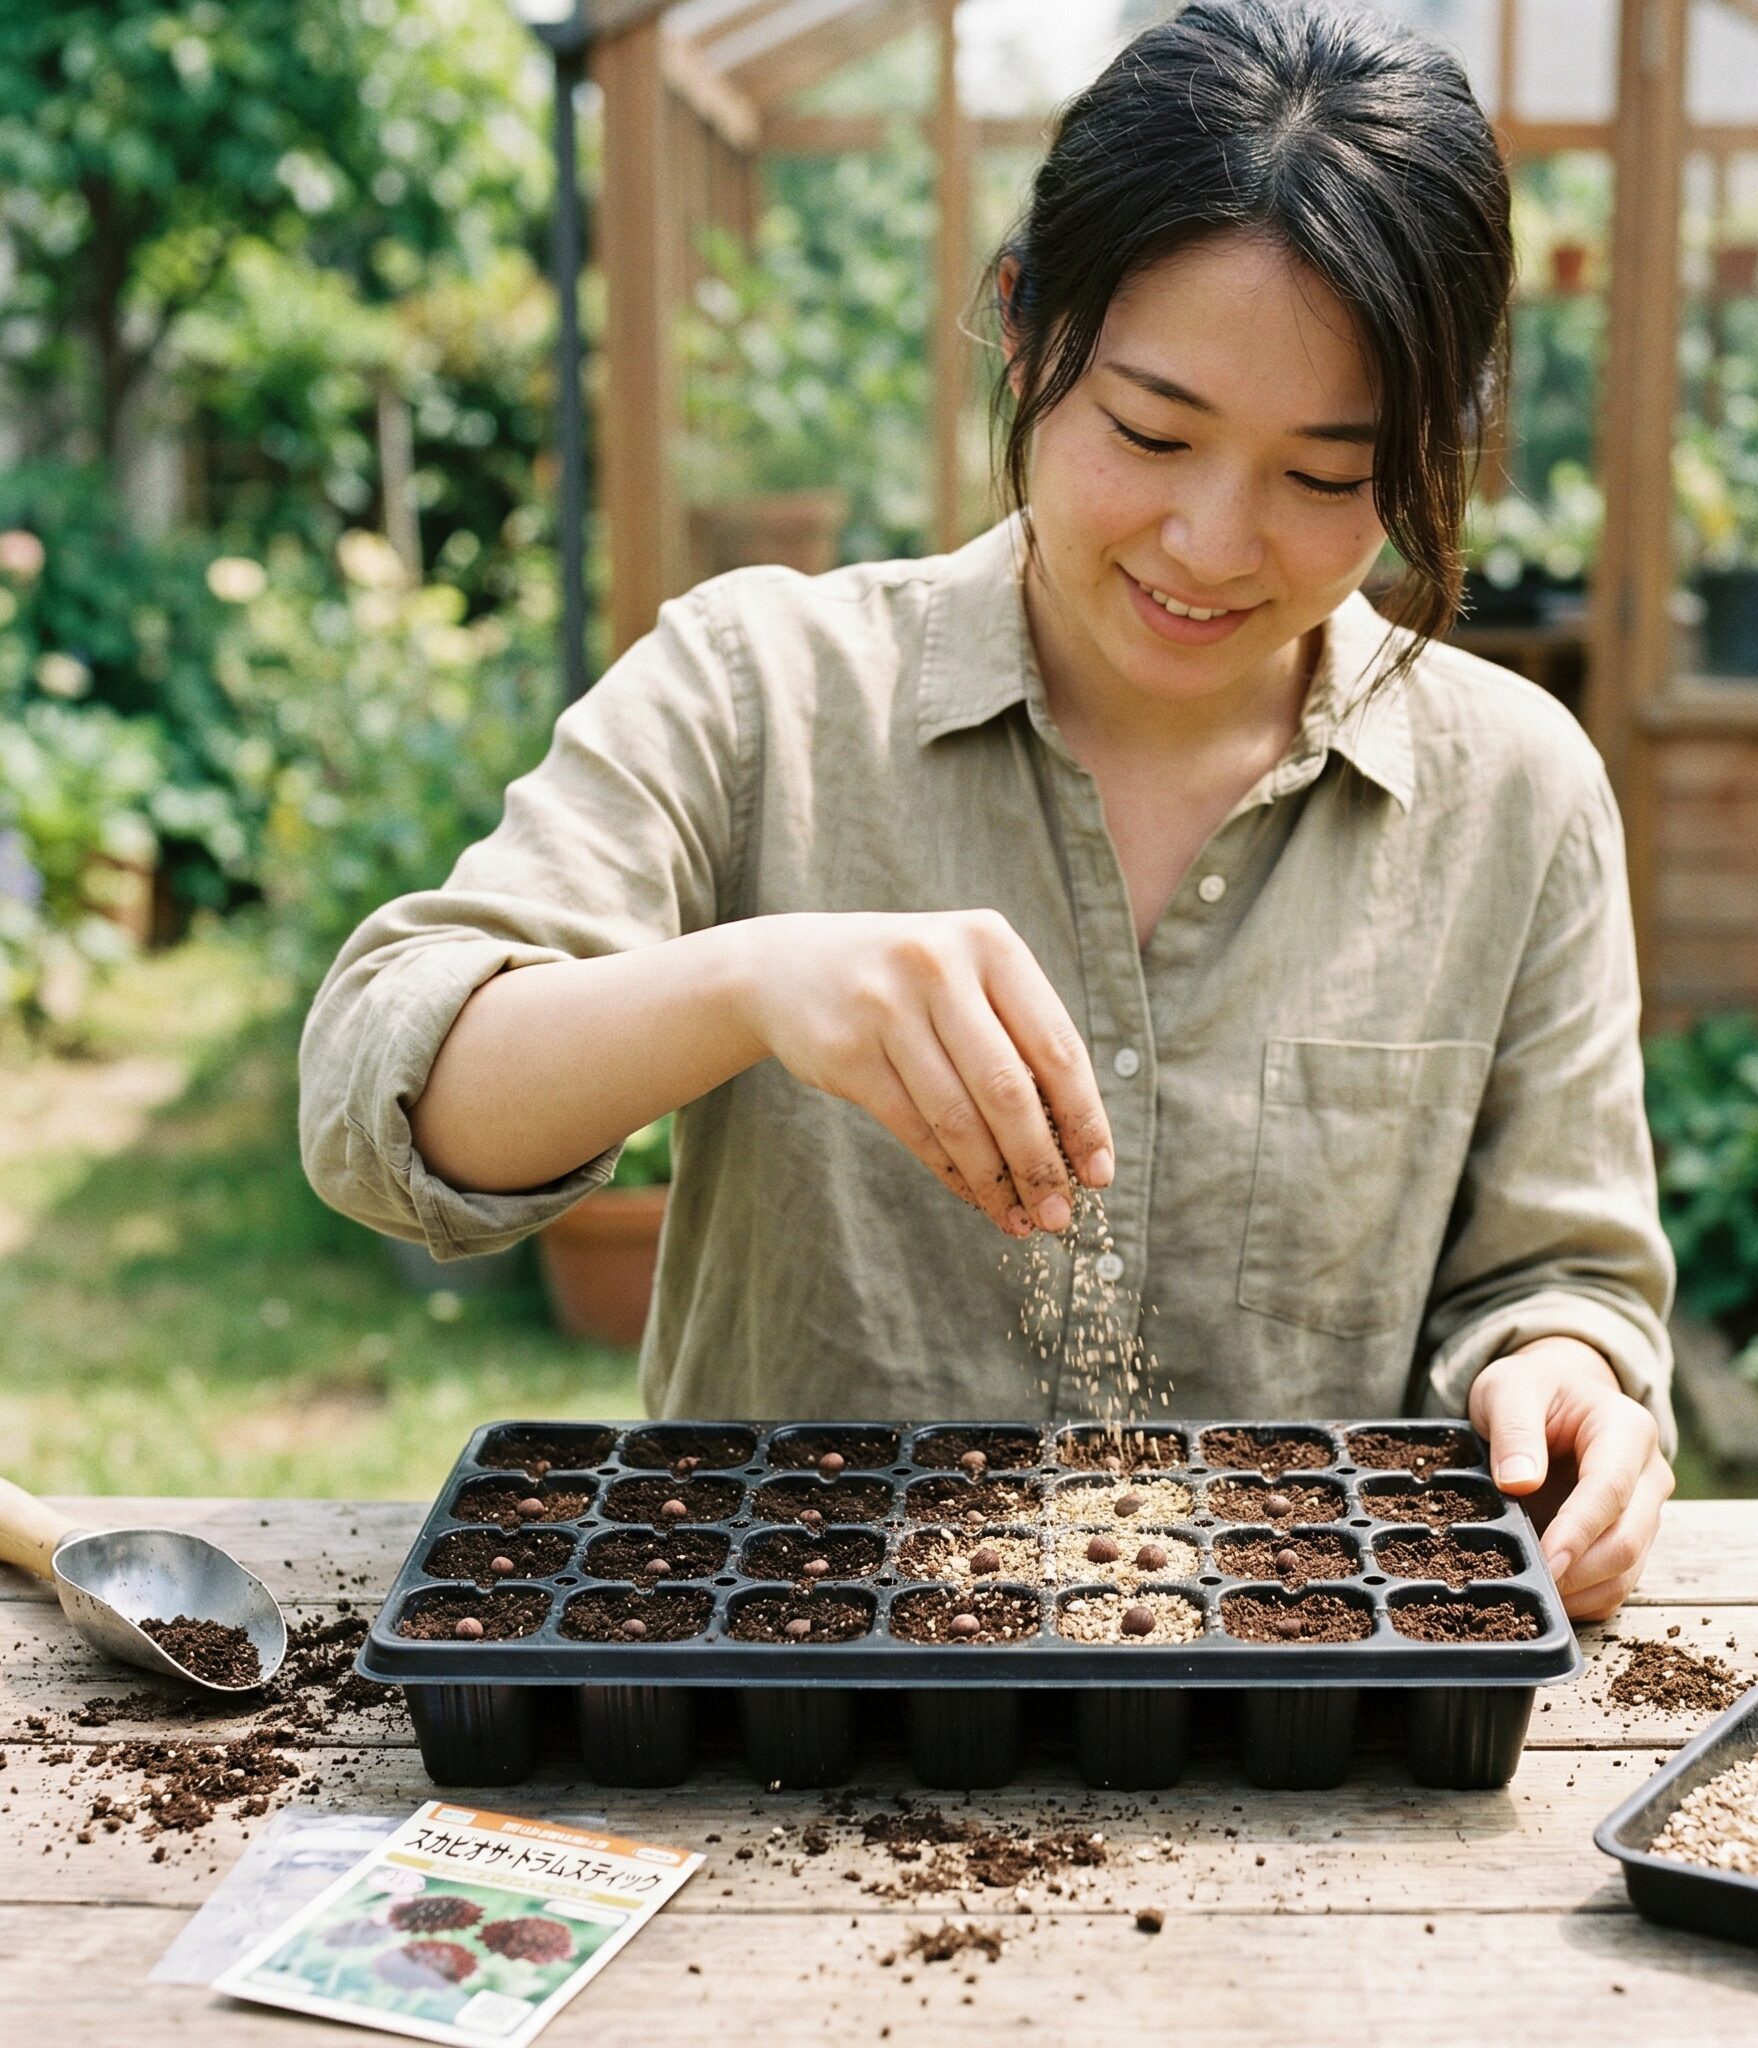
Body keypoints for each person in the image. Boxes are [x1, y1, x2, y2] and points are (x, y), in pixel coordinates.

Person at [300, 0, 1675, 1620]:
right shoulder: (764, 689)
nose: (1214, 543)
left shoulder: (1512, 789)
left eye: (1324, 477)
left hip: (1288, 1740)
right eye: (1151, 433)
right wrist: (752, 981)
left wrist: (1568, 1373)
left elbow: (1559, 1274)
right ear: (1026, 334)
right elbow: (383, 1104)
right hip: (783, 1703)